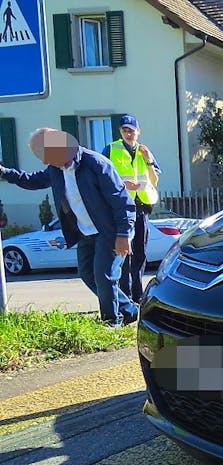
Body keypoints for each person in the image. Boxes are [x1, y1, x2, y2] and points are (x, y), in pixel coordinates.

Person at [0, 128, 138, 325]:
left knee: (105, 276)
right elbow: (32, 180)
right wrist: (5, 173)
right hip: (85, 233)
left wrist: (123, 234)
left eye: (45, 155)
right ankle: (130, 311)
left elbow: (122, 202)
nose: (44, 161)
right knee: (88, 275)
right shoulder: (56, 170)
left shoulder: (96, 164)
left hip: (109, 232)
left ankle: (112, 321)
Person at [102, 114, 160, 302]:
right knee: (124, 253)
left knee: (140, 252)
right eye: (125, 130)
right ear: (120, 131)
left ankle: (137, 295)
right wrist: (121, 183)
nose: (128, 133)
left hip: (141, 206)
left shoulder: (145, 152)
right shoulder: (111, 150)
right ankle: (125, 296)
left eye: (131, 130)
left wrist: (149, 161)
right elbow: (101, 179)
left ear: (138, 132)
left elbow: (154, 180)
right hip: (120, 208)